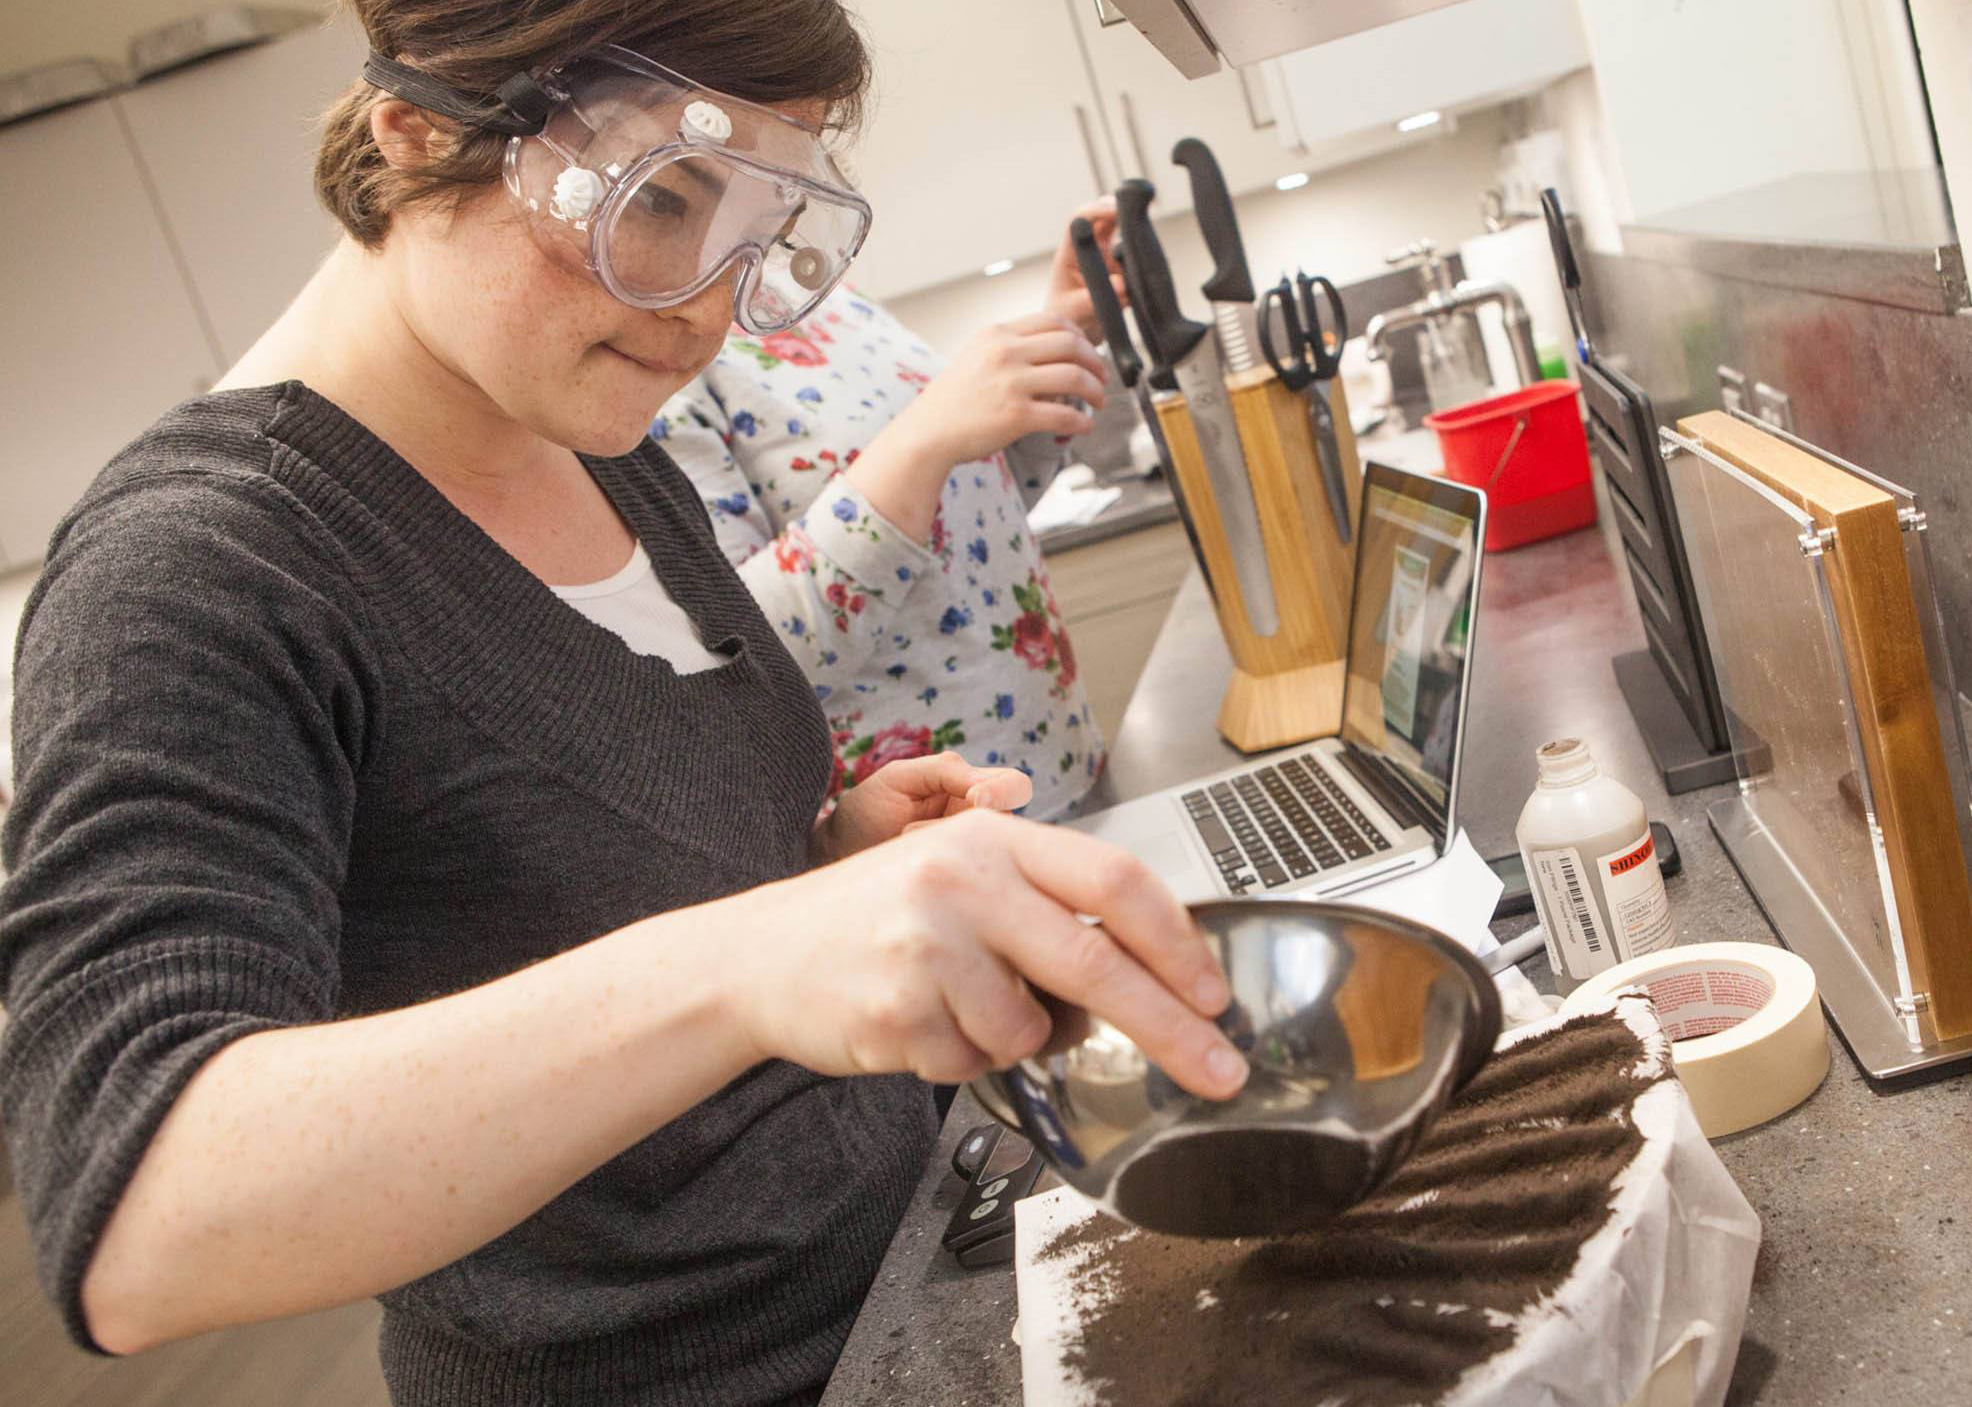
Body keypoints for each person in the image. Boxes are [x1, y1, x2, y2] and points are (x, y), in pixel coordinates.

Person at [0, 3, 1243, 1405]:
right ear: (415, 133)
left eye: (757, 237)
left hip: (923, 1265)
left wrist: (828, 859)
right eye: (660, 199)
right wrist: (763, 947)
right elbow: (139, 1212)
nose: (708, 309)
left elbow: (560, 890)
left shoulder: (603, 451)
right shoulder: (197, 565)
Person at [651, 246, 1120, 820]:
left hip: (1064, 767)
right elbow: (744, 662)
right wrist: (925, 435)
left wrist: (1053, 348)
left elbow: (962, 523)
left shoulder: (814, 291)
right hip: (931, 832)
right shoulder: (665, 358)